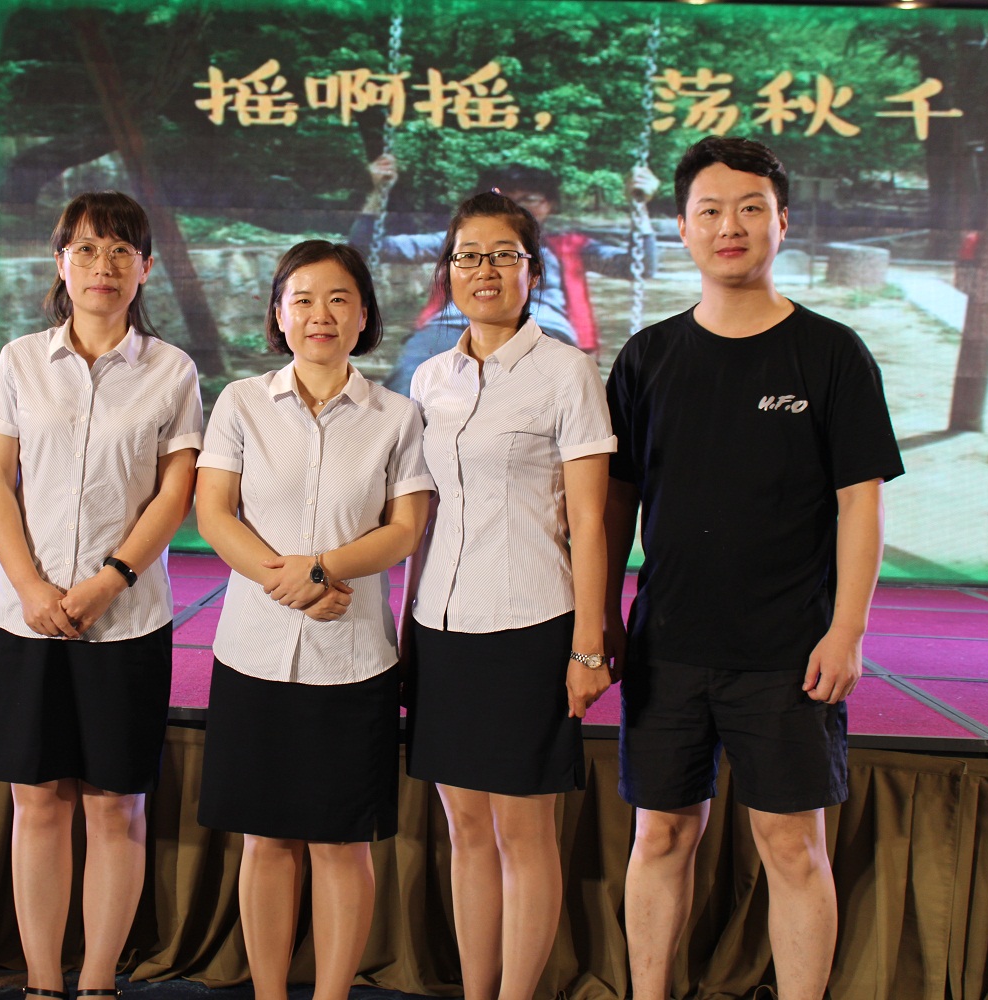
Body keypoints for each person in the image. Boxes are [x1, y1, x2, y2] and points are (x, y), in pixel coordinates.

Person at [604, 136, 904, 1000]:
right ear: (682, 228)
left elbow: (860, 505)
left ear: (782, 222)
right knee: (661, 835)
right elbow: (614, 507)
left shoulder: (832, 353)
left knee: (792, 847)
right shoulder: (647, 358)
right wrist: (602, 621)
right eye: (709, 211)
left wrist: (847, 632)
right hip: (667, 647)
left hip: (790, 652)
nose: (728, 227)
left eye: (749, 209)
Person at [0, 191, 202, 1000]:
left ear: (145, 268)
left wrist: (110, 581)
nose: (103, 266)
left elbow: (175, 493)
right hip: (22, 617)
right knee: (37, 804)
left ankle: (98, 981)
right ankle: (42, 981)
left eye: (121, 251)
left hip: (126, 619)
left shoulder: (171, 370)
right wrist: (31, 585)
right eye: (87, 249)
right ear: (60, 262)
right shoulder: (20, 361)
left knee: (113, 809)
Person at [195, 240, 433, 1000]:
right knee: (265, 841)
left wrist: (322, 569)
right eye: (302, 300)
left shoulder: (397, 415)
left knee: (341, 845)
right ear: (278, 314)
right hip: (254, 653)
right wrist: (290, 581)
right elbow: (214, 513)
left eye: (338, 300)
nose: (319, 315)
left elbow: (405, 530)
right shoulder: (240, 402)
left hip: (353, 660)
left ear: (364, 315)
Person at [401, 191, 616, 1000]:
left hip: (531, 621)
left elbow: (589, 522)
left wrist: (588, 647)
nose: (483, 270)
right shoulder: (431, 377)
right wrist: (406, 633)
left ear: (533, 270)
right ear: (448, 269)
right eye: (467, 256)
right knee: (465, 828)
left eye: (502, 255)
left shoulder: (567, 371)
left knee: (523, 831)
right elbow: (419, 517)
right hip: (441, 625)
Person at [351, 155, 658, 390]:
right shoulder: (456, 241)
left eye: (530, 200)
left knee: (544, 402)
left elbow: (640, 264)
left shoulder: (568, 247)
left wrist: (640, 206)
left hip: (541, 329)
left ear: (549, 205)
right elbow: (365, 248)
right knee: (411, 383)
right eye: (503, 197)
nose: (514, 208)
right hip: (452, 327)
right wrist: (378, 192)